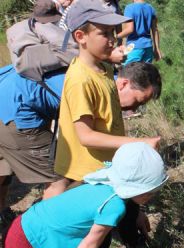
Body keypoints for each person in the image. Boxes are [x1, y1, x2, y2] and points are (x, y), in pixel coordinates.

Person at [0, 62, 162, 224]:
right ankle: (44, 234)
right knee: (59, 179)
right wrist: (140, 143)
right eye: (138, 101)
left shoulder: (101, 74)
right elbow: (89, 140)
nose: (134, 110)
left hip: (7, 89)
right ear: (123, 84)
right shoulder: (100, 91)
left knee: (2, 172)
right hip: (16, 109)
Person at [4, 142, 169, 248]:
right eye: (149, 192)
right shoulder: (114, 206)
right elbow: (88, 245)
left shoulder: (103, 179)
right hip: (35, 246)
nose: (151, 196)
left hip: (24, 227)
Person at [54, 0, 161, 184]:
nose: (112, 39)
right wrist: (139, 142)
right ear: (81, 37)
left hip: (103, 166)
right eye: (104, 33)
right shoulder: (81, 80)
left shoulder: (105, 67)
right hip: (88, 173)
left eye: (113, 32)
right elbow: (86, 136)